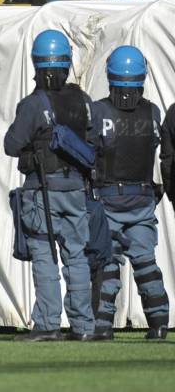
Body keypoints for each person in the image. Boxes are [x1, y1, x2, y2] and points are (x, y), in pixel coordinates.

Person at [3, 30, 96, 341]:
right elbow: (94, 142)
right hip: (77, 190)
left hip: (43, 190)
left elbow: (11, 145)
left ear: (36, 64)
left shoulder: (33, 104)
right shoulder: (83, 100)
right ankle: (84, 326)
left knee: (44, 254)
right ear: (67, 63)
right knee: (77, 256)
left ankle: (47, 324)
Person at [90, 46, 169, 341]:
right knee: (146, 264)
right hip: (143, 201)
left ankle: (102, 326)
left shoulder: (98, 111)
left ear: (111, 75)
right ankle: (159, 324)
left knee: (107, 266)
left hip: (108, 199)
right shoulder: (153, 111)